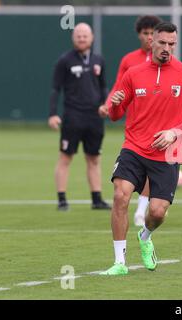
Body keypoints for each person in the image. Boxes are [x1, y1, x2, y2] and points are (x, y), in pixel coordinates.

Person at [100, 22, 182, 275]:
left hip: (168, 153)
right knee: (120, 195)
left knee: (157, 212)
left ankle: (145, 236)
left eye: (172, 44)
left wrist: (174, 132)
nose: (167, 48)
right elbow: (115, 115)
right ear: (152, 42)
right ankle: (119, 263)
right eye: (162, 43)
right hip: (134, 147)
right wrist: (114, 105)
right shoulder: (133, 73)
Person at [106, 15, 162, 226]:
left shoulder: (165, 61)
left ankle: (141, 209)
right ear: (139, 34)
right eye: (145, 33)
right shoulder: (129, 60)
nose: (149, 37)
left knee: (151, 167)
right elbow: (118, 87)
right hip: (135, 123)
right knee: (135, 166)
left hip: (158, 125)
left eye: (152, 33)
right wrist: (108, 102)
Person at [48, 23, 111, 211]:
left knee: (94, 158)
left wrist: (105, 105)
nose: (82, 38)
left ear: (92, 37)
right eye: (78, 35)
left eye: (85, 35)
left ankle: (97, 199)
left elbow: (103, 87)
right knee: (66, 157)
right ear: (73, 38)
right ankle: (61, 199)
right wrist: (53, 114)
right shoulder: (64, 60)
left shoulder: (99, 60)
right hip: (73, 117)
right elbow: (55, 89)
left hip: (94, 117)